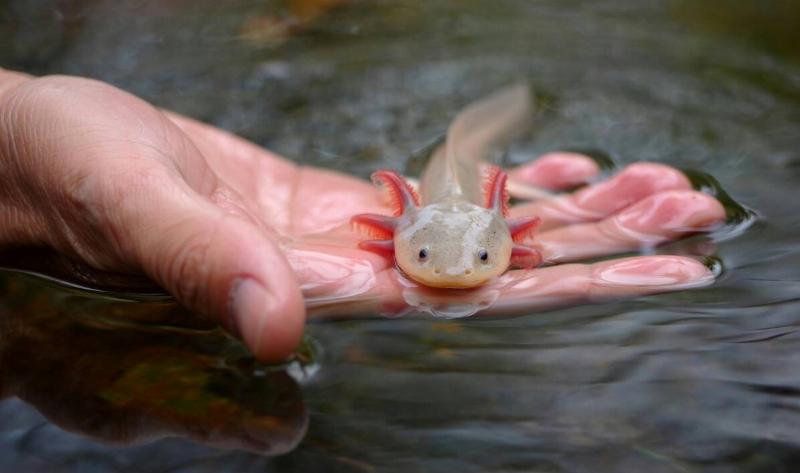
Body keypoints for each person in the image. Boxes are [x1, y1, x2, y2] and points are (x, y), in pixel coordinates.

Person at [0, 68, 726, 362]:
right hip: (431, 204)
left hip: (475, 201)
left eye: (479, 259)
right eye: (423, 257)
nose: (449, 275)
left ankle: (494, 134)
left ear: (512, 238)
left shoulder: (503, 228)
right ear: (388, 230)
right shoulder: (397, 230)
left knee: (488, 177)